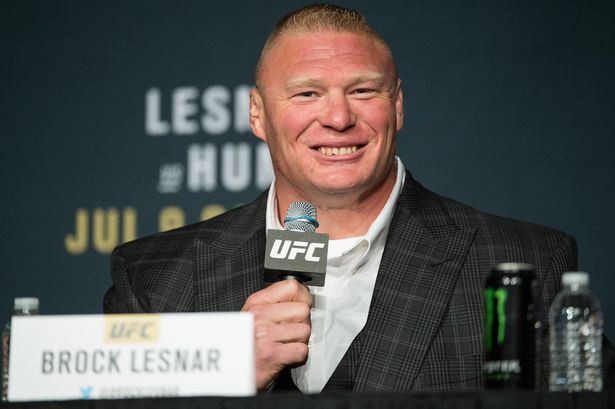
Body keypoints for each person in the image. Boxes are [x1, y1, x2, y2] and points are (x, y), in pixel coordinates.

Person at [104, 4, 614, 393]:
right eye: (306, 94)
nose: (339, 118)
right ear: (257, 114)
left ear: (397, 105)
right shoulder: (155, 276)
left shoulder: (520, 261)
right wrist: (219, 369)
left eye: (363, 92)